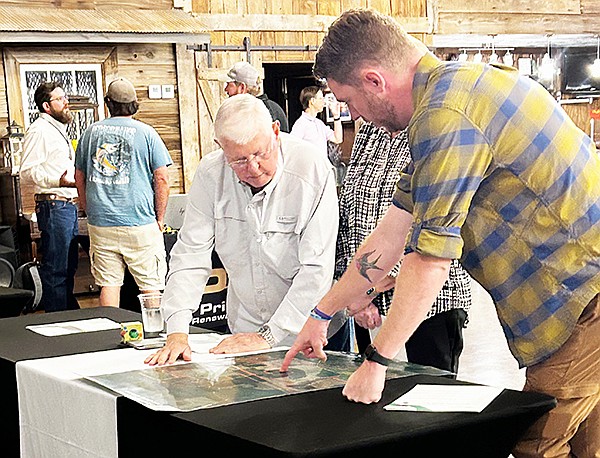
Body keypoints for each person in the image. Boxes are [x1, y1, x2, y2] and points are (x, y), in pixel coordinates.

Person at [281, 9, 600, 457]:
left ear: (374, 80)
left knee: (536, 444)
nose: (356, 116)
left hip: (585, 298)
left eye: (349, 101)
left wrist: (377, 361)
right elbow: (391, 234)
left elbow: (429, 259)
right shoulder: (457, 92)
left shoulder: (446, 114)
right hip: (578, 295)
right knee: (587, 443)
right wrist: (321, 315)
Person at [144, 93, 342, 366]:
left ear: (275, 131)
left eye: (260, 153)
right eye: (238, 160)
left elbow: (316, 268)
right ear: (221, 148)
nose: (253, 168)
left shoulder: (312, 169)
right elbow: (191, 254)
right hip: (245, 331)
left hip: (312, 329)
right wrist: (177, 331)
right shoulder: (210, 174)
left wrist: (269, 337)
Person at [336, 120, 471, 374]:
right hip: (368, 303)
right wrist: (358, 295)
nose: (349, 109)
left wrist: (366, 291)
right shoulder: (368, 131)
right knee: (372, 399)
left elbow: (428, 227)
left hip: (431, 302)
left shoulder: (434, 128)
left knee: (429, 400)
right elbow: (349, 212)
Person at [74, 77, 172, 307]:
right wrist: (160, 217)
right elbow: (162, 178)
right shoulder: (147, 133)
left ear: (108, 102)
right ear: (134, 103)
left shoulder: (90, 133)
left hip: (101, 223)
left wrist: (89, 208)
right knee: (150, 285)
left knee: (109, 284)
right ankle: (155, 334)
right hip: (140, 221)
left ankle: (108, 334)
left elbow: (79, 176)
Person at [20, 81, 80, 313]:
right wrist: (58, 181)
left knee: (68, 266)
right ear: (46, 105)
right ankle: (57, 321)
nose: (66, 103)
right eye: (60, 99)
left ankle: (68, 316)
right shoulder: (39, 131)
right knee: (56, 268)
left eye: (66, 98)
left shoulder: (57, 130)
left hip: (67, 205)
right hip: (54, 205)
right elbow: (27, 172)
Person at [221, 61, 289, 132]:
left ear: (242, 87)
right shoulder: (274, 109)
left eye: (229, 84)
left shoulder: (253, 113)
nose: (226, 89)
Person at [290, 86, 343, 157]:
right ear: (312, 101)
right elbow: (291, 148)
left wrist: (336, 116)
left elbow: (338, 139)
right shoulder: (301, 124)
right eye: (321, 98)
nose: (323, 101)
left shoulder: (319, 123)